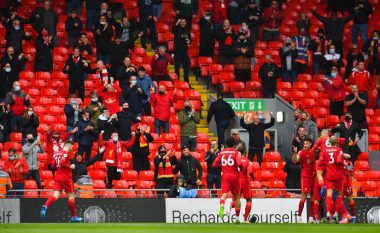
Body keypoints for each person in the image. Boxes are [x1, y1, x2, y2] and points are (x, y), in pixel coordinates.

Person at [41, 140, 82, 222]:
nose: (72, 149)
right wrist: (70, 167)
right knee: (71, 196)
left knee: (56, 195)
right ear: (69, 146)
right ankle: (73, 217)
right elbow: (62, 162)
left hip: (58, 176)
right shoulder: (66, 154)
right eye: (72, 147)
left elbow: (53, 166)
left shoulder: (56, 154)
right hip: (66, 177)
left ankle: (45, 206)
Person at [317, 136, 351, 224]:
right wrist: (344, 160)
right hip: (338, 175)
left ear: (329, 142)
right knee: (339, 194)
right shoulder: (339, 150)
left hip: (328, 176)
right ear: (337, 142)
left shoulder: (324, 151)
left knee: (329, 195)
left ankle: (329, 213)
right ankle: (337, 214)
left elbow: (320, 163)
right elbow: (339, 160)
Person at [212, 137, 242, 222]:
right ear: (234, 144)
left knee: (224, 195)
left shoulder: (221, 153)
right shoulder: (237, 153)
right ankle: (237, 218)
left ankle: (222, 205)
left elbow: (214, 165)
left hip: (225, 175)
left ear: (226, 144)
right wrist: (241, 167)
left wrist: (222, 166)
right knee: (236, 197)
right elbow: (239, 163)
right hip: (235, 176)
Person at [228, 142, 254, 223]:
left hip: (236, 182)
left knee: (236, 200)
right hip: (244, 182)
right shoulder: (248, 161)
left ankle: (230, 206)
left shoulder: (235, 160)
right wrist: (253, 177)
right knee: (249, 200)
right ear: (245, 153)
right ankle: (245, 219)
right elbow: (250, 172)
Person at [292, 136, 315, 223]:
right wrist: (295, 153)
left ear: (310, 144)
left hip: (312, 177)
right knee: (304, 196)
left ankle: (311, 218)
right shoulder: (301, 152)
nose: (305, 145)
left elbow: (314, 165)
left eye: (307, 143)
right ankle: (299, 217)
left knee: (313, 197)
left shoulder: (312, 154)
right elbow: (295, 161)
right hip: (305, 176)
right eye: (304, 143)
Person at [172, 18, 191, 83]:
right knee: (177, 68)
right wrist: (177, 22)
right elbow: (172, 30)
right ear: (180, 23)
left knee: (186, 67)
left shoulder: (187, 30)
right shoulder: (177, 29)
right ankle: (177, 82)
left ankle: (186, 82)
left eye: (184, 22)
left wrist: (189, 41)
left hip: (185, 52)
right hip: (177, 51)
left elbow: (189, 39)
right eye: (181, 22)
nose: (183, 23)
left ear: (186, 23)